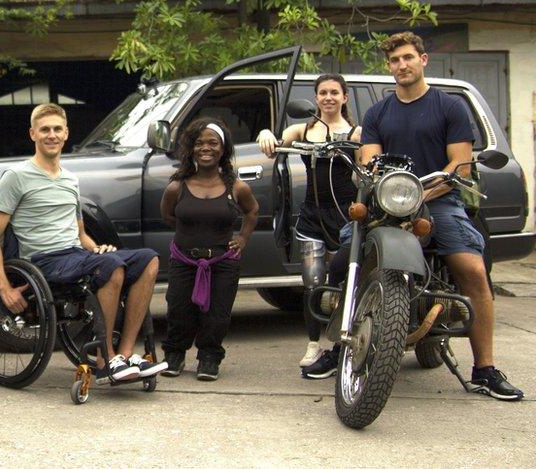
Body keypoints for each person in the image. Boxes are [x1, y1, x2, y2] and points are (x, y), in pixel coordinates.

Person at [310, 31, 523, 401]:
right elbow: (371, 163)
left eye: (408, 57)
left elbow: (460, 166)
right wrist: (385, 188)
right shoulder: (378, 113)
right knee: (345, 259)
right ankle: (339, 345)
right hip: (387, 202)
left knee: (472, 269)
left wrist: (420, 193)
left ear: (423, 60)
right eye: (394, 60)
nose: (401, 65)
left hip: (437, 198)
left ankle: (485, 368)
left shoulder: (449, 107)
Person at [0, 103, 168, 383]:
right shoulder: (17, 177)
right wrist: (3, 286)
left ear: (66, 134)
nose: (51, 135)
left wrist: (96, 249)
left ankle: (125, 356)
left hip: (76, 255)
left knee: (148, 259)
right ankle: (106, 357)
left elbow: (80, 234)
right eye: (45, 129)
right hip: (44, 261)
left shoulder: (70, 179)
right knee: (111, 267)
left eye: (57, 129)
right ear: (33, 134)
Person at [256, 74, 362, 373]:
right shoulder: (304, 128)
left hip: (345, 215)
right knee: (313, 284)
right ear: (315, 98)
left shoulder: (356, 133)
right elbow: (277, 140)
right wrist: (266, 133)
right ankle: (314, 345)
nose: (328, 98)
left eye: (334, 92)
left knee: (344, 280)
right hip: (311, 216)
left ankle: (345, 342)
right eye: (323, 93)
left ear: (344, 97)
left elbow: (370, 161)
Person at [160, 118, 258, 380]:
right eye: (199, 143)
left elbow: (252, 212)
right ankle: (174, 354)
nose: (206, 148)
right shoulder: (176, 187)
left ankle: (209, 358)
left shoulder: (236, 187)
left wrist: (243, 239)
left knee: (217, 316)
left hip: (222, 263)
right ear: (191, 148)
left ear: (223, 149)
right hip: (184, 261)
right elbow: (169, 216)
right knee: (179, 311)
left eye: (213, 143)